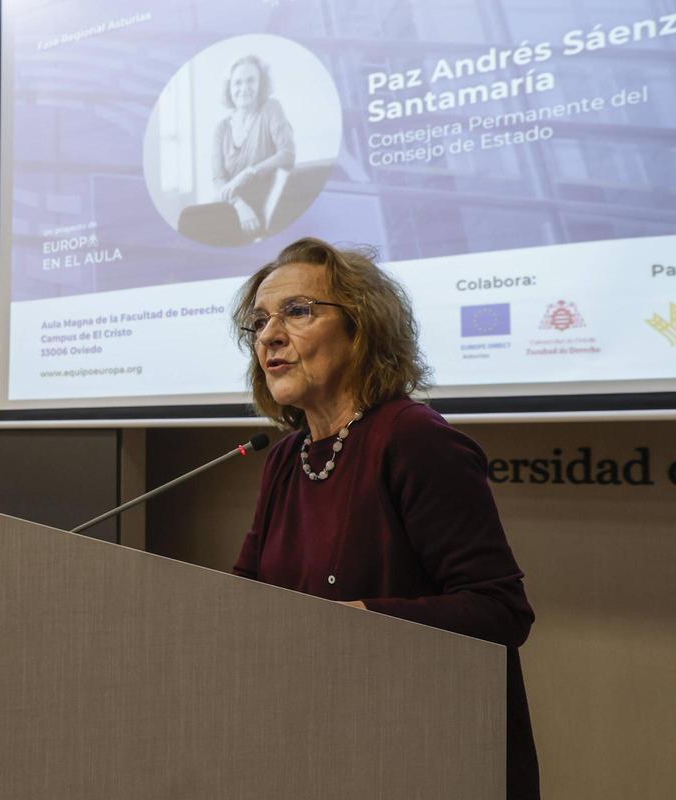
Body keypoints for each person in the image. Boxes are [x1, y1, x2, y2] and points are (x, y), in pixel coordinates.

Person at [230, 237, 539, 799]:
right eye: (259, 322)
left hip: (419, 749)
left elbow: (500, 611)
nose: (269, 336)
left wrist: (360, 618)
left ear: (362, 328)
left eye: (297, 312)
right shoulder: (284, 458)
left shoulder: (414, 439)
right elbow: (245, 597)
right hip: (316, 740)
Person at [177, 54, 297, 246]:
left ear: (261, 84)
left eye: (251, 80)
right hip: (233, 206)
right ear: (229, 88)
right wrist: (240, 206)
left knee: (193, 222)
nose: (244, 88)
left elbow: (288, 154)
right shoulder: (221, 128)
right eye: (237, 83)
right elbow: (218, 179)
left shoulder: (271, 109)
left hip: (264, 208)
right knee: (188, 219)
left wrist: (249, 172)